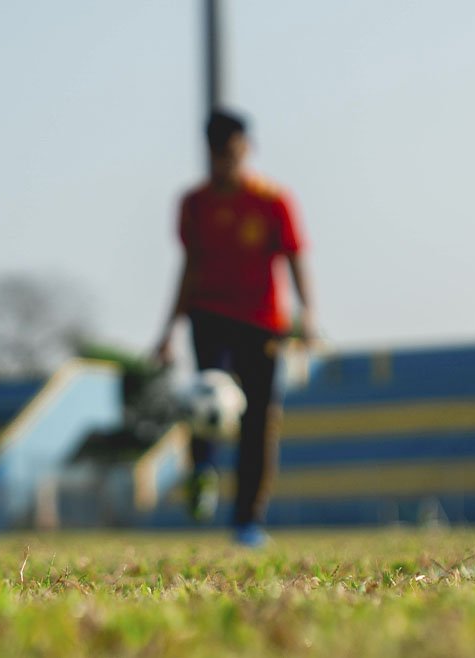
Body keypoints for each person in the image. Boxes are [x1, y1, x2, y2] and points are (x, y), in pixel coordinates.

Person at [154, 108, 316, 548]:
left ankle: (248, 519)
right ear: (208, 153)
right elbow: (188, 267)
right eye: (218, 153)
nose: (227, 161)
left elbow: (294, 257)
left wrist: (309, 316)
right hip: (209, 317)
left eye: (234, 151)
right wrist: (167, 331)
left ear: (247, 148)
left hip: (263, 326)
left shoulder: (272, 201)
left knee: (259, 422)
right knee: (207, 396)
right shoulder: (194, 204)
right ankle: (202, 469)